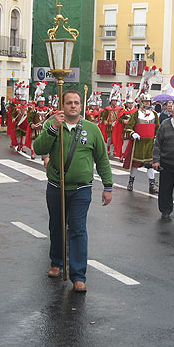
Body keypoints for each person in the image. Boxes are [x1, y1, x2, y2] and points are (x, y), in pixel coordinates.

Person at [33, 90, 113, 293]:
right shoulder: (52, 125)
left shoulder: (92, 129)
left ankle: (78, 275)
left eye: (76, 102)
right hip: (56, 187)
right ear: (62, 104)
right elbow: (38, 147)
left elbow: (102, 159)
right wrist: (52, 129)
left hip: (81, 189)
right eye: (69, 102)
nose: (73, 106)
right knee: (57, 226)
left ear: (81, 105)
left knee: (77, 229)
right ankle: (57, 262)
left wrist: (108, 186)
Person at [123, 93, 160, 194]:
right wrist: (133, 133)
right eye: (145, 101)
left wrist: (158, 138)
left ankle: (152, 186)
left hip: (150, 144)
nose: (147, 103)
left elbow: (157, 128)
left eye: (148, 101)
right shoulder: (136, 114)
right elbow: (128, 127)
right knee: (135, 164)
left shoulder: (155, 114)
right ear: (141, 102)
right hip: (138, 143)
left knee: (150, 165)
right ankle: (130, 183)